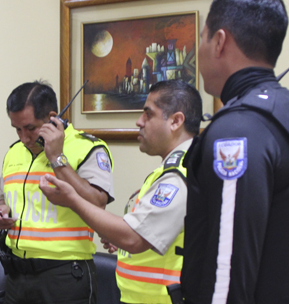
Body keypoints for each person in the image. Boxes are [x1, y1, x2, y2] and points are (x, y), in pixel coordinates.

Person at [181, 0, 289, 303]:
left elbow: (228, 273)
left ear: (220, 41)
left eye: (203, 38)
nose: (200, 50)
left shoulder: (237, 130)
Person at [40, 80, 202, 304]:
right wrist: (121, 240)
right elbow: (144, 233)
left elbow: (134, 238)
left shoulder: (180, 172)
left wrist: (73, 200)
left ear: (176, 121)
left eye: (148, 115)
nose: (139, 122)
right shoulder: (172, 169)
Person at [0, 81, 114, 304]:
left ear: (52, 118)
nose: (23, 138)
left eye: (30, 128)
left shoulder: (87, 148)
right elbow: (4, 195)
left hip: (65, 275)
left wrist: (57, 158)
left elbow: (97, 203)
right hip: (17, 275)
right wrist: (0, 209)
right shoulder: (15, 152)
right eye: (17, 129)